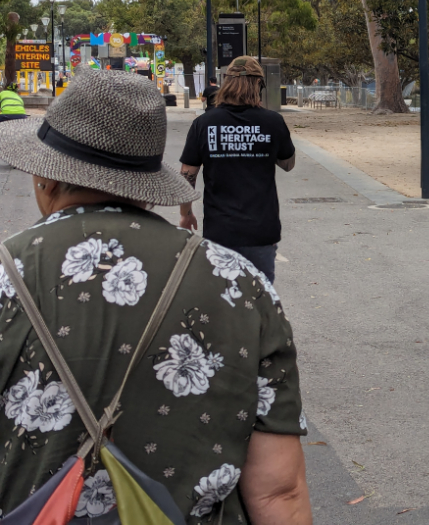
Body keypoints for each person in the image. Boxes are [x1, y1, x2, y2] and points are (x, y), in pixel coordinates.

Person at [0, 69, 312, 524]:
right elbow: (279, 491)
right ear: (144, 186)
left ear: (46, 177)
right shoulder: (241, 285)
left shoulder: (8, 276)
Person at [180, 57, 295, 283]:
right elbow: (288, 164)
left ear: (225, 83)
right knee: (260, 303)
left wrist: (186, 214)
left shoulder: (204, 124)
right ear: (259, 85)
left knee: (222, 305)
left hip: (220, 231)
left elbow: (187, 173)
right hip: (261, 230)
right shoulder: (273, 121)